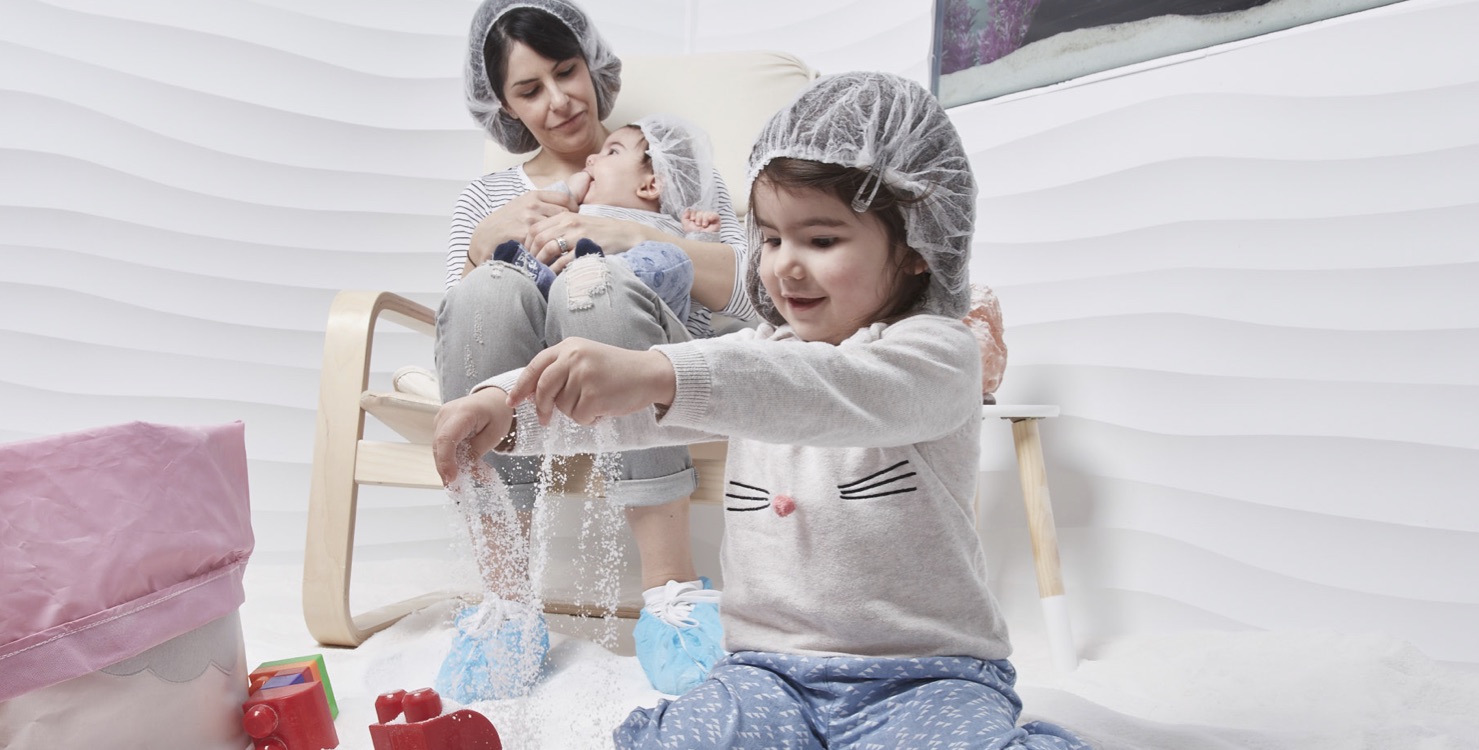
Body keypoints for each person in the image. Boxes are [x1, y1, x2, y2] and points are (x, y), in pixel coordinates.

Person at [433, 72, 1092, 749]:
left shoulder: (938, 354)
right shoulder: (758, 351)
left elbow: (819, 387)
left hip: (923, 676)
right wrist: (502, 408)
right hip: (765, 674)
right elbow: (626, 410)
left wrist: (657, 368)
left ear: (919, 244)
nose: (784, 267)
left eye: (821, 240)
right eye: (771, 239)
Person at [435, 0, 755, 699]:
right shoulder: (490, 195)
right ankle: (508, 604)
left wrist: (640, 238)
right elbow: (460, 322)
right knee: (485, 290)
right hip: (522, 387)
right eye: (529, 90)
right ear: (501, 104)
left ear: (590, 63)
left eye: (565, 72)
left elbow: (751, 291)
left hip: (647, 358)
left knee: (593, 286)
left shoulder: (667, 163)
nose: (558, 103)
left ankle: (671, 595)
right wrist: (479, 246)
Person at [492, 114, 724, 326]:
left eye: (612, 152)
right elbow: (533, 220)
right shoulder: (574, 215)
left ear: (650, 185)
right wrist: (566, 193)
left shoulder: (668, 228)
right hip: (561, 311)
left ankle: (603, 275)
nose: (591, 158)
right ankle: (548, 283)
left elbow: (695, 290)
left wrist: (701, 235)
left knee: (674, 259)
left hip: (642, 320)